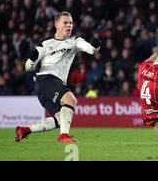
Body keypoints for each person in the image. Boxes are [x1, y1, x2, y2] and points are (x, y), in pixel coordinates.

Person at [15, 12, 101, 143]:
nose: (69, 26)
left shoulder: (74, 41)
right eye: (65, 23)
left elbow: (91, 50)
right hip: (45, 80)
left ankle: (25, 130)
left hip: (48, 86)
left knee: (61, 119)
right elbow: (28, 67)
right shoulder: (46, 43)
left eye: (71, 23)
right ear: (57, 25)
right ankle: (63, 136)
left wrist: (96, 45)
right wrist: (32, 60)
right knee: (71, 100)